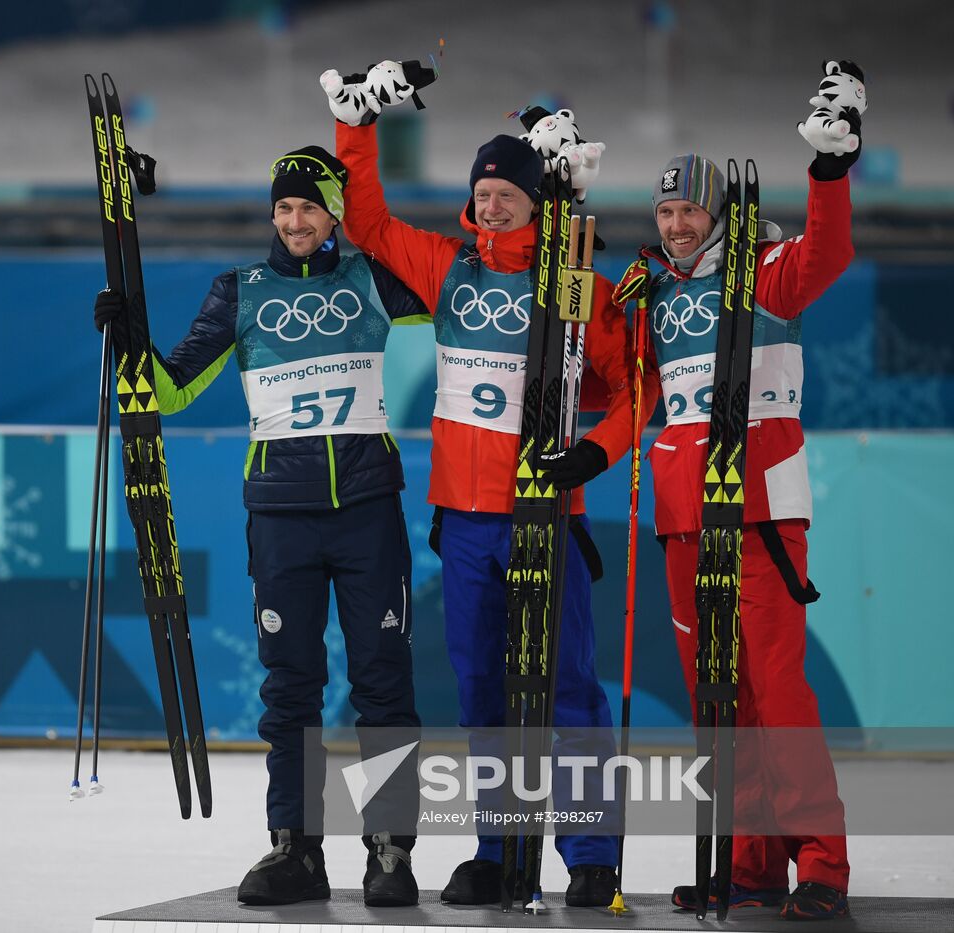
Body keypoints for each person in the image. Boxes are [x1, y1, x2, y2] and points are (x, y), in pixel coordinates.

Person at [323, 66, 639, 908]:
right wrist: (355, 132)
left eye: (509, 193)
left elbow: (634, 386)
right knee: (482, 690)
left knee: (566, 686)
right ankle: (500, 847)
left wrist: (595, 455)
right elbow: (366, 222)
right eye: (484, 192)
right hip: (464, 521)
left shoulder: (576, 284)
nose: (494, 204)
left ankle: (593, 853)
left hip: (544, 514)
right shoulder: (449, 267)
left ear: (539, 201)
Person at [93, 146, 426, 908]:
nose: (296, 220)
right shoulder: (238, 293)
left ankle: (390, 848)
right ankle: (296, 845)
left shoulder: (370, 281)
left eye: (309, 207)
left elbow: (462, 288)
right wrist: (128, 343)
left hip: (368, 508)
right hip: (280, 516)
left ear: (333, 213)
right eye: (284, 208)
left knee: (383, 680)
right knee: (291, 686)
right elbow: (168, 393)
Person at [636, 63, 866, 923]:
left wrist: (830, 171)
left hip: (763, 508)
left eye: (689, 210)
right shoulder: (654, 295)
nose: (677, 223)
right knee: (715, 694)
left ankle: (822, 864)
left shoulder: (765, 275)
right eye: (665, 212)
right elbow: (616, 389)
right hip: (684, 518)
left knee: (777, 686)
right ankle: (751, 861)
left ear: (718, 214)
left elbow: (828, 252)